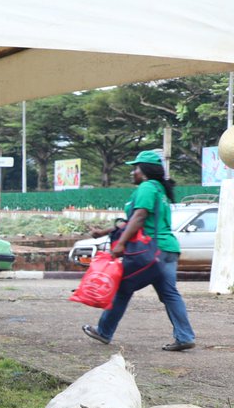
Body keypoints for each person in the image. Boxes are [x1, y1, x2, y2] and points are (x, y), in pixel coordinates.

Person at [82, 150, 196, 352]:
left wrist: (120, 245)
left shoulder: (146, 187)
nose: (132, 172)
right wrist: (104, 232)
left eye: (135, 168)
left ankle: (104, 331)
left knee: (123, 287)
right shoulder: (159, 190)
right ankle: (185, 336)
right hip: (167, 249)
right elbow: (131, 221)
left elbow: (139, 217)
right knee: (170, 293)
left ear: (143, 170)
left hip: (150, 251)